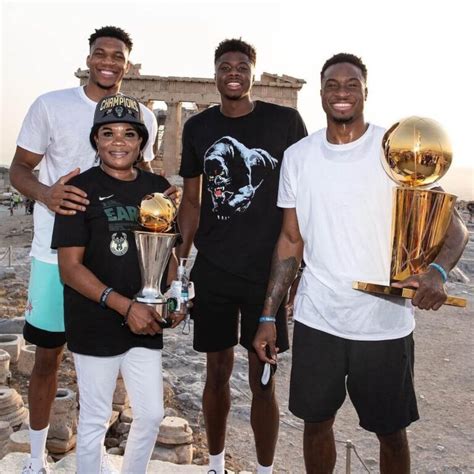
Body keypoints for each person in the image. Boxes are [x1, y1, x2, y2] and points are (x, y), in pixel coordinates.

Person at [253, 53, 469, 473]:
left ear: (366, 91)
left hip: (384, 323)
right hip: (319, 320)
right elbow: (290, 240)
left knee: (391, 433)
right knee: (315, 425)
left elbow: (454, 223)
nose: (341, 93)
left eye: (352, 84)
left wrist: (437, 273)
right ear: (320, 93)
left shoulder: (394, 148)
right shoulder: (298, 156)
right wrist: (267, 315)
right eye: (332, 85)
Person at [9, 26, 177, 474]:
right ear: (88, 58)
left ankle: (96, 450)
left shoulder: (144, 113)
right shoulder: (50, 104)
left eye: (117, 55)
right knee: (48, 357)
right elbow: (19, 169)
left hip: (116, 255)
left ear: (127, 62)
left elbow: (140, 183)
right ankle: (37, 456)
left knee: (98, 370)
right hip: (57, 253)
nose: (108, 61)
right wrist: (47, 195)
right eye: (100, 53)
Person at [177, 38, 307, 474]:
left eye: (242, 65)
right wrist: (177, 261)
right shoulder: (197, 128)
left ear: (253, 72)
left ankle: (265, 470)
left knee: (262, 382)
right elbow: (192, 202)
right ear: (214, 74)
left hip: (265, 271)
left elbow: (306, 195)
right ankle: (216, 465)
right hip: (213, 267)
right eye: (225, 66)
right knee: (215, 374)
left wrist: (299, 267)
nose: (233, 72)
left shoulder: (285, 122)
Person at [51, 93, 183, 474]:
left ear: (142, 141)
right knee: (94, 419)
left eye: (129, 133)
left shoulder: (159, 188)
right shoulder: (80, 188)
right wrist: (125, 306)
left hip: (144, 319)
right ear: (96, 140)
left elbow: (166, 254)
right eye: (108, 133)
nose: (118, 141)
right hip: (95, 318)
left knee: (152, 414)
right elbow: (69, 269)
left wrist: (172, 296)